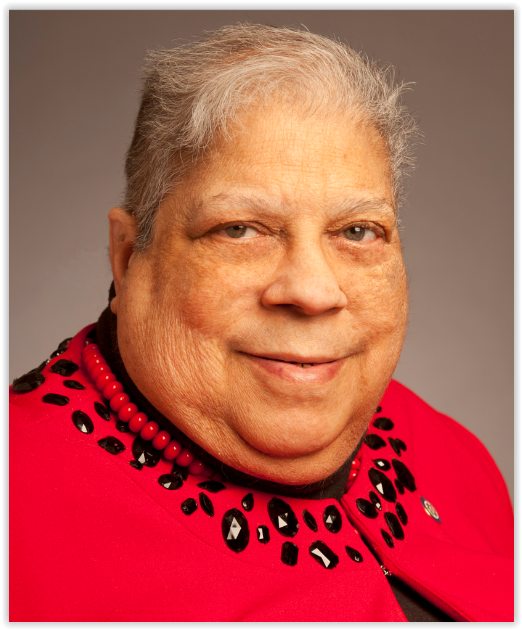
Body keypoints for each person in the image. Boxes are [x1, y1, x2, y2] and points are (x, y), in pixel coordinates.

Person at [9, 23, 513, 622]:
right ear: (127, 258)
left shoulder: (451, 457)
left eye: (357, 231)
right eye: (240, 229)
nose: (313, 292)